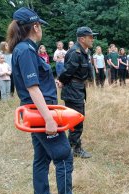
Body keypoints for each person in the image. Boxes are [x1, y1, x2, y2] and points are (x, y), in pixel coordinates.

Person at [7, 7, 86, 194]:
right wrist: (49, 119)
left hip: (39, 112)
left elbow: (36, 83)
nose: (41, 29)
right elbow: (32, 88)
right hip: (42, 114)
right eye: (40, 25)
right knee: (63, 156)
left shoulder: (26, 49)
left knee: (42, 158)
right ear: (35, 26)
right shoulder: (26, 50)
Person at [58, 26, 96, 159]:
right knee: (76, 120)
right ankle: (73, 149)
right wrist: (61, 81)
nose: (93, 39)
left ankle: (73, 147)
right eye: (90, 37)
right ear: (82, 38)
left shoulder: (82, 51)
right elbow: (67, 72)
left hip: (77, 89)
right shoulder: (75, 52)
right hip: (73, 90)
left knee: (77, 119)